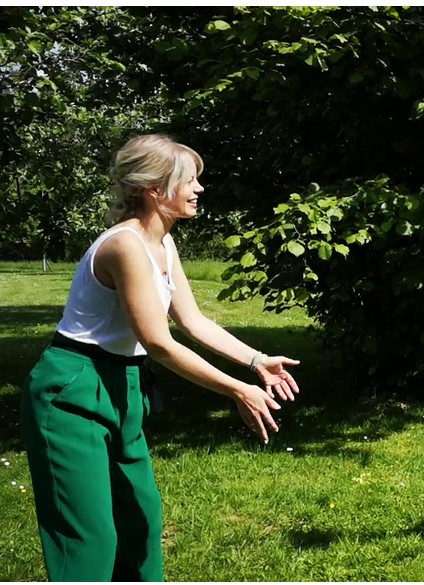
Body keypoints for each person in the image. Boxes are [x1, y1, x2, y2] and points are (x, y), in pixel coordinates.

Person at [20, 134, 301, 582]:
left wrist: (256, 361)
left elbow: (192, 321)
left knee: (142, 521)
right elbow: (160, 342)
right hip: (73, 390)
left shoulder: (163, 243)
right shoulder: (124, 246)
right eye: (189, 179)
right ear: (154, 188)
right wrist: (237, 390)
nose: (199, 189)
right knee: (88, 539)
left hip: (123, 387)